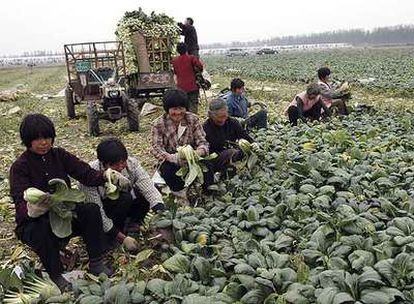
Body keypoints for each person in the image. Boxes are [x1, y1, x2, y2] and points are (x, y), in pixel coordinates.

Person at [9, 114, 129, 291]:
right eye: (38, 139)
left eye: (47, 138)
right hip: (37, 220)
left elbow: (85, 174)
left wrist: (106, 176)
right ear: (27, 141)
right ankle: (56, 274)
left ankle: (96, 261)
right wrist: (32, 208)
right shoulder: (20, 167)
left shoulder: (59, 155)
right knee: (39, 228)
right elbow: (19, 203)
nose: (44, 143)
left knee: (90, 210)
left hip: (65, 213)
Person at [79, 138, 165, 252]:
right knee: (124, 198)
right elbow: (98, 211)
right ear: (103, 163)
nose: (120, 167)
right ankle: (114, 234)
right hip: (105, 212)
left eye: (123, 162)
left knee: (148, 190)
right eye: (115, 165)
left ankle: (133, 224)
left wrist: (162, 213)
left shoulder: (131, 163)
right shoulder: (90, 174)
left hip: (125, 205)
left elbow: (148, 187)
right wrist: (121, 238)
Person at [151, 89, 209, 204]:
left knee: (208, 166)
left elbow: (202, 142)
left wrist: (198, 153)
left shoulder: (193, 119)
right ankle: (181, 196)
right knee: (168, 170)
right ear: (167, 109)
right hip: (170, 159)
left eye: (181, 108)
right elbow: (156, 148)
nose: (178, 112)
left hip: (192, 157)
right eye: (174, 109)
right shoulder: (158, 124)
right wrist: (172, 157)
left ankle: (206, 194)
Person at [203, 99, 258, 183]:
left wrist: (253, 143)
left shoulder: (232, 122)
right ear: (211, 115)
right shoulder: (205, 128)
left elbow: (245, 136)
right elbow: (204, 151)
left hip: (233, 154)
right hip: (214, 159)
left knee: (244, 152)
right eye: (219, 117)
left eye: (225, 116)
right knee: (231, 153)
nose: (223, 120)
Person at [172, 42, 203, 114]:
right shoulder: (191, 58)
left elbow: (176, 72)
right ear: (186, 49)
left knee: (184, 105)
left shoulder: (174, 61)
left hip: (181, 87)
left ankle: (185, 120)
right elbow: (200, 66)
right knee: (193, 104)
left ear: (177, 50)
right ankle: (193, 120)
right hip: (193, 86)